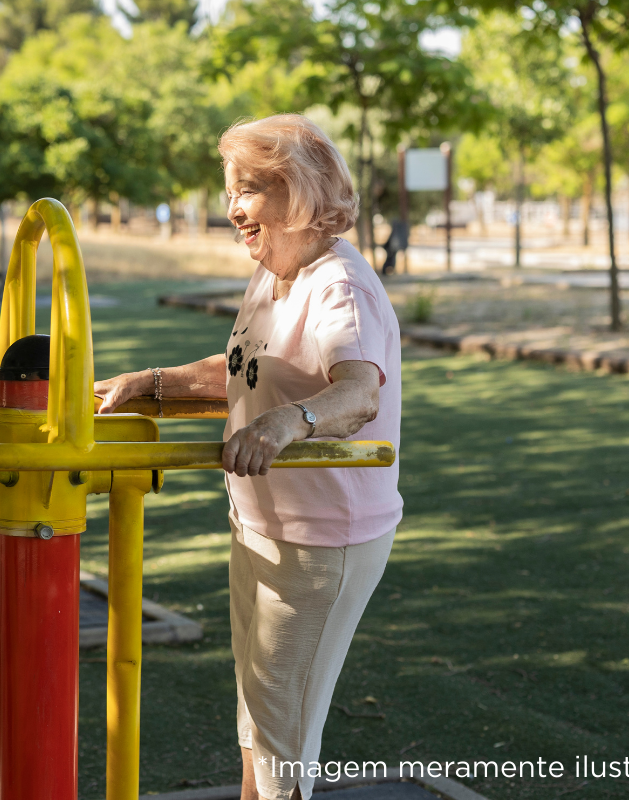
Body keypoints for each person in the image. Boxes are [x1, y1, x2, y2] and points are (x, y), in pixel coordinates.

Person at [95, 114, 402, 800]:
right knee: (259, 726)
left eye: (247, 191)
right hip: (261, 524)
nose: (232, 209)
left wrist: (292, 423)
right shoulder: (275, 275)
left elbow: (357, 394)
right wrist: (147, 385)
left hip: (323, 543)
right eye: (230, 191)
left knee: (283, 742)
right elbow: (247, 370)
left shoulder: (337, 285)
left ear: (297, 191)